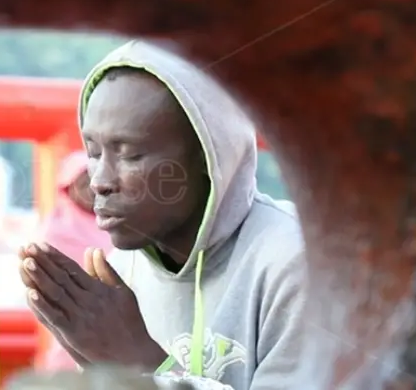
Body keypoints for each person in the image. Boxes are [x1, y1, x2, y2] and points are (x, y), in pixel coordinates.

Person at [18, 40, 311, 389]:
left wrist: (142, 364)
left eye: (129, 155)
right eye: (93, 153)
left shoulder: (297, 266)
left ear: (207, 156)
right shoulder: (122, 272)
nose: (99, 182)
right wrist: (97, 364)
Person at [36, 151, 113, 372]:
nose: (91, 189)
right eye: (83, 183)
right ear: (67, 188)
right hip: (72, 334)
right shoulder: (55, 232)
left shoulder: (122, 228)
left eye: (96, 181)